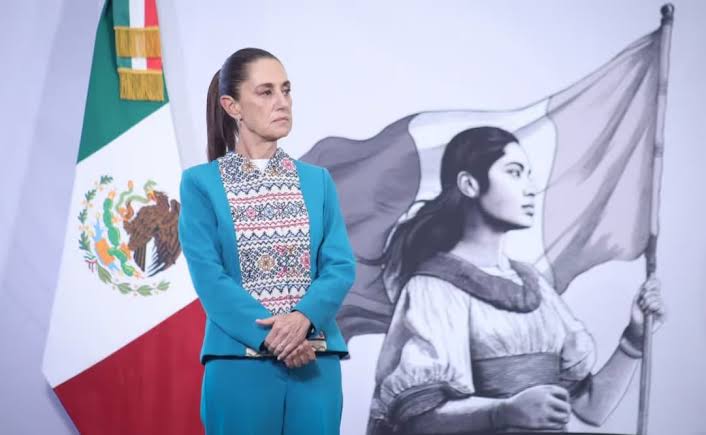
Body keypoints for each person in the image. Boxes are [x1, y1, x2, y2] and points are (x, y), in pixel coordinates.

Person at [366, 127, 665, 434]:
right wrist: (503, 412)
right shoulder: (435, 288)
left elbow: (590, 408)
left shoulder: (534, 285)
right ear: (469, 184)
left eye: (528, 175)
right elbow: (418, 421)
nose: (531, 188)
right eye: (514, 172)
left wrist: (634, 338)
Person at [178, 48, 355, 435]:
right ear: (232, 106)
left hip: (314, 364)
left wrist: (303, 320)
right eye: (266, 91)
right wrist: (276, 337)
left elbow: (340, 266)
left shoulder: (317, 181)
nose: (282, 102)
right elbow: (209, 277)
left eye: (286, 90)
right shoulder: (200, 184)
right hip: (239, 367)